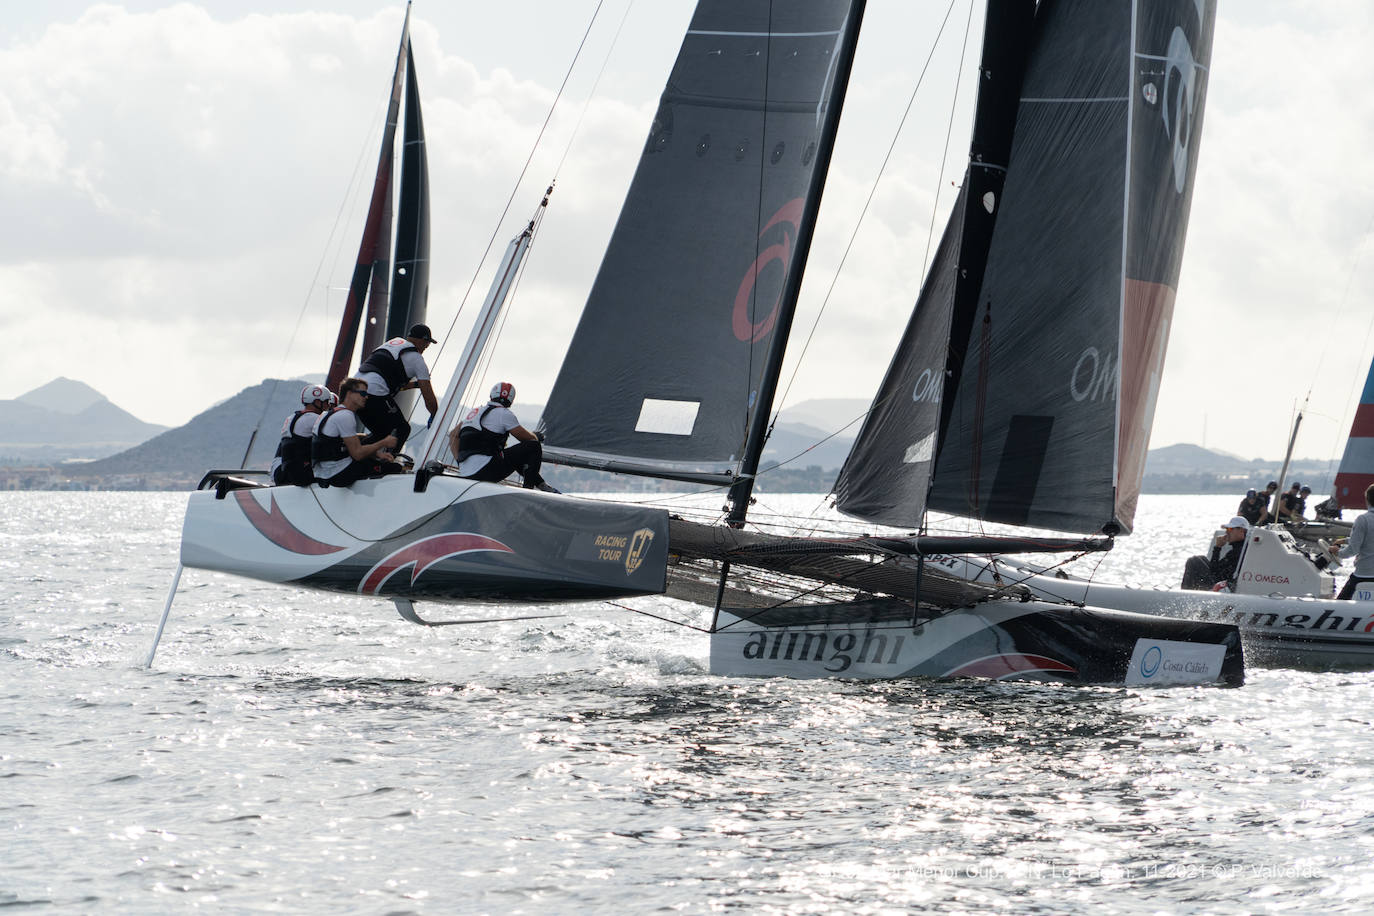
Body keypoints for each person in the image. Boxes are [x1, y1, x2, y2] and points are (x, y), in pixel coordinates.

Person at [450, 382, 558, 492]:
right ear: (510, 401)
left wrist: (459, 461)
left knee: (513, 456)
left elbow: (453, 435)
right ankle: (528, 490)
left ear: (491, 395)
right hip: (486, 471)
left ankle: (542, 485)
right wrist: (536, 436)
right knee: (534, 446)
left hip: (465, 472)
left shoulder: (475, 412)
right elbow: (528, 439)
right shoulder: (504, 413)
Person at [355, 323, 440, 454]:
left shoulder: (393, 343)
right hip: (374, 393)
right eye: (427, 343)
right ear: (422, 341)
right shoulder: (418, 360)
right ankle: (387, 464)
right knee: (402, 429)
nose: (426, 347)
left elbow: (394, 383)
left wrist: (415, 385)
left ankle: (353, 453)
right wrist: (435, 414)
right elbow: (428, 396)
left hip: (354, 390)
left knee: (382, 433)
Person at [312, 378, 404, 488]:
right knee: (394, 468)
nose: (366, 397)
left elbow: (349, 445)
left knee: (375, 462)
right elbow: (358, 454)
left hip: (323, 473)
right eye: (363, 393)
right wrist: (384, 442)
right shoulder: (346, 416)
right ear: (350, 394)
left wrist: (377, 454)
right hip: (338, 474)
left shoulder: (330, 413)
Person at [270, 384, 334, 486]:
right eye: (327, 402)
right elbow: (337, 437)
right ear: (317, 402)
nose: (328, 406)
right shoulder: (314, 418)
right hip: (299, 474)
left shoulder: (292, 417)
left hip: (281, 473)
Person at [1329, 484, 1374, 599]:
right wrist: (1345, 540)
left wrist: (1337, 551)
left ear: (1367, 499)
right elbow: (1369, 540)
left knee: (1339, 603)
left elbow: (1353, 550)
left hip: (1364, 574)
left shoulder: (1363, 519)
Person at [1181, 516, 1250, 591]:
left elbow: (1214, 570)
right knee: (1201, 558)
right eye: (1227, 529)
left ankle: (1185, 592)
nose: (1227, 532)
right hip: (1221, 581)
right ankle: (1190, 590)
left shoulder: (1238, 551)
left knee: (1193, 561)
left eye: (1230, 529)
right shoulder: (1240, 549)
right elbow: (1216, 569)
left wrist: (1217, 548)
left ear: (1241, 531)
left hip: (1223, 585)